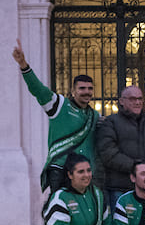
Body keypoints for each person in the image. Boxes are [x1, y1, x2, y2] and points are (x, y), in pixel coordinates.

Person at [14, 40, 98, 194]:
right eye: (82, 88)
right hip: (60, 170)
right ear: (73, 90)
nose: (86, 92)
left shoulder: (95, 115)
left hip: (85, 173)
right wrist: (24, 65)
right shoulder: (58, 105)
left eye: (90, 89)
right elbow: (37, 89)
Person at [96, 85, 145, 205]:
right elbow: (107, 152)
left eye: (140, 99)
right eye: (132, 99)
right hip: (119, 187)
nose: (137, 102)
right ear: (122, 101)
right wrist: (135, 166)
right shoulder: (110, 122)